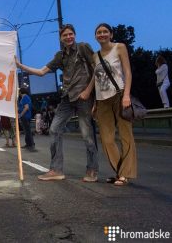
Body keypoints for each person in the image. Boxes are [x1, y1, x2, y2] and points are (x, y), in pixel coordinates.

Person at [15, 24, 98, 181]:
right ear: (61, 38)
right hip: (67, 98)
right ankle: (56, 170)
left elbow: (96, 69)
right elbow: (41, 72)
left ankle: (92, 170)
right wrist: (20, 66)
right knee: (54, 130)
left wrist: (88, 91)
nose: (68, 37)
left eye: (71, 34)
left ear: (75, 34)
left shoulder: (83, 47)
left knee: (87, 135)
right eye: (65, 35)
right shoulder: (60, 56)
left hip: (83, 97)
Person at [93, 23, 137, 186]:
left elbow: (127, 72)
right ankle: (120, 171)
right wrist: (95, 103)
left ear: (111, 34)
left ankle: (124, 174)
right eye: (99, 32)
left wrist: (126, 94)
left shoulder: (120, 47)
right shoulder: (95, 56)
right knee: (106, 139)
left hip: (119, 96)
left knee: (126, 136)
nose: (102, 34)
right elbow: (96, 78)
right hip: (102, 100)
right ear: (95, 36)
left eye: (105, 32)